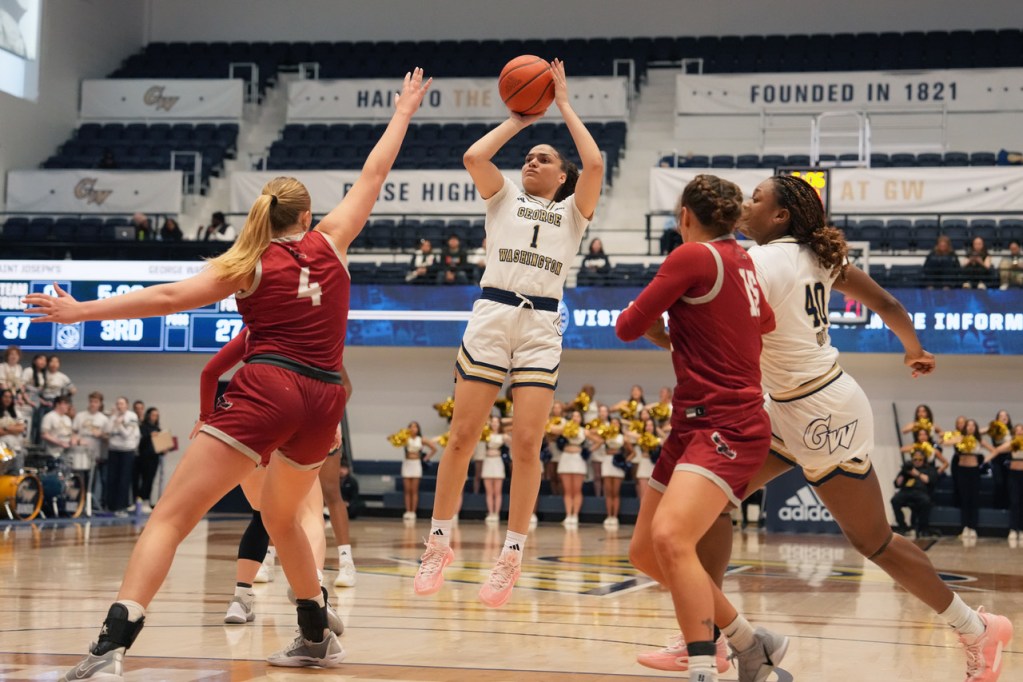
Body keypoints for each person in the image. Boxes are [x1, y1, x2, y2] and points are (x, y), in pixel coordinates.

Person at [25, 67, 431, 678]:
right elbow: (374, 173)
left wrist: (82, 312)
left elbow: (164, 298)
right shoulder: (334, 241)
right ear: (308, 215)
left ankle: (114, 640)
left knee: (171, 517)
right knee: (283, 517)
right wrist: (401, 112)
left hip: (270, 386)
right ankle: (315, 632)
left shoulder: (247, 262)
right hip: (325, 399)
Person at [642, 173, 1010, 681]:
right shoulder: (821, 257)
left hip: (822, 414)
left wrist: (660, 331)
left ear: (780, 216)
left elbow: (704, 341)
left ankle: (976, 627)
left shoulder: (755, 263)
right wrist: (914, 349)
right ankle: (706, 636)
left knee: (874, 542)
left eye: (756, 199)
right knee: (710, 504)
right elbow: (889, 305)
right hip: (785, 407)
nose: (746, 206)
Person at [414, 59, 602, 608]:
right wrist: (521, 119)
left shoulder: (573, 214)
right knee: (462, 436)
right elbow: (475, 156)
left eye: (542, 158)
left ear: (561, 177)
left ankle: (512, 553)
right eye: (527, 156)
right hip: (492, 313)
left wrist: (561, 103)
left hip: (542, 322)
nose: (530, 160)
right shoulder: (503, 198)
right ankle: (438, 542)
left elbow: (593, 161)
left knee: (526, 444)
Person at [617, 174, 778, 682]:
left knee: (670, 537)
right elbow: (766, 323)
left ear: (685, 215)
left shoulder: (691, 257)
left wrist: (668, 335)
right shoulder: (743, 260)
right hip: (691, 421)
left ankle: (704, 665)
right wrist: (690, 334)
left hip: (726, 422)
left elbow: (626, 325)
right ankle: (751, 642)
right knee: (647, 551)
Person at [948, 419, 993, 542]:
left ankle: (973, 527)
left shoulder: (978, 440)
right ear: (965, 427)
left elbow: (994, 451)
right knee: (964, 499)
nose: (971, 427)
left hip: (974, 472)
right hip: (962, 471)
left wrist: (984, 462)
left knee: (974, 499)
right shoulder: (961, 438)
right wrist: (953, 437)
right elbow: (945, 442)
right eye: (969, 425)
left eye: (973, 425)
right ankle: (965, 527)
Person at [104, 396, 140, 514]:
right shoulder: (114, 416)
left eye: (122, 404)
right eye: (118, 404)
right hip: (114, 450)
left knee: (124, 479)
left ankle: (121, 506)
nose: (119, 406)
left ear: (127, 405)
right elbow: (108, 431)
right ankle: (111, 506)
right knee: (112, 478)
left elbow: (127, 434)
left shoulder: (132, 416)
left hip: (127, 451)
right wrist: (113, 418)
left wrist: (119, 425)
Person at [552, 409, 587, 526]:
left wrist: (587, 451)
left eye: (578, 416)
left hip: (578, 459)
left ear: (581, 419)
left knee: (576, 490)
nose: (575, 418)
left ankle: (575, 515)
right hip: (566, 458)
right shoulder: (565, 429)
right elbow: (550, 429)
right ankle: (568, 515)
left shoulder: (584, 431)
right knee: (567, 490)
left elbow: (600, 439)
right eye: (573, 416)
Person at [891, 449, 937, 538]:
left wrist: (916, 473)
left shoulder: (928, 469)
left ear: (924, 459)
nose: (917, 461)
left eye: (920, 459)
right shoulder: (906, 470)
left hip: (920, 492)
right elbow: (897, 484)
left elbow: (928, 480)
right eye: (915, 459)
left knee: (926, 502)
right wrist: (903, 472)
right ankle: (902, 526)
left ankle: (923, 528)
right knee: (894, 500)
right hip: (906, 491)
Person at [992, 423, 1023, 547]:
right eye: (1018, 430)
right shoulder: (1012, 443)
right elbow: (998, 450)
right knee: (1014, 502)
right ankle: (1013, 529)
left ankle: (1021, 529)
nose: (1020, 432)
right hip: (1014, 476)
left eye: (1022, 430)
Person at [399, 420, 436, 521]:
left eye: (415, 427)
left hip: (416, 464)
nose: (413, 429)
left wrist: (426, 458)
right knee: (407, 490)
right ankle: (408, 511)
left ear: (418, 429)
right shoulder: (405, 439)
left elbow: (433, 448)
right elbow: (396, 441)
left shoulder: (421, 439)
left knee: (414, 490)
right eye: (411, 427)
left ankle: (413, 512)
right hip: (407, 464)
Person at [133, 407, 164, 513]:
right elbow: (140, 441)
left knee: (150, 480)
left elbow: (161, 444)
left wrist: (164, 449)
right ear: (148, 415)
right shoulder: (143, 427)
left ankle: (146, 500)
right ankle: (138, 500)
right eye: (153, 415)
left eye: (157, 415)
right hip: (143, 457)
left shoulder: (158, 429)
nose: (155, 417)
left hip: (154, 457)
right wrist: (149, 436)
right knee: (141, 479)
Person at [482, 415, 508, 523]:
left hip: (497, 462)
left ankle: (496, 513)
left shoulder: (504, 436)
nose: (494, 424)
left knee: (497, 491)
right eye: (493, 422)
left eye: (497, 422)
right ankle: (490, 512)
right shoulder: (485, 435)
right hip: (488, 461)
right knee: (489, 491)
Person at [40, 394, 77, 460]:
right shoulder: (49, 416)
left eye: (68, 404)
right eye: (65, 404)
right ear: (57, 404)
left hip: (66, 452)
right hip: (52, 453)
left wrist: (73, 439)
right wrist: (60, 443)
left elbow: (71, 433)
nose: (67, 406)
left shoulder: (67, 419)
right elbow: (44, 435)